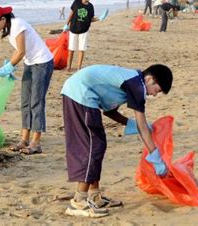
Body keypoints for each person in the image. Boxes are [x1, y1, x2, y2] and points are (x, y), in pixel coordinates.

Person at [61, 64, 173, 218]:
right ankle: (79, 200)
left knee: (99, 145)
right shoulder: (136, 85)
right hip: (80, 94)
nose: (154, 95)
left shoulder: (133, 81)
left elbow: (109, 111)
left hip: (82, 94)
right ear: (150, 79)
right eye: (157, 90)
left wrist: (129, 123)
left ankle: (95, 196)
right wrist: (156, 158)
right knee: (92, 148)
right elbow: (142, 126)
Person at [0, 5, 54, 155]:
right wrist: (9, 65)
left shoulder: (17, 25)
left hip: (43, 63)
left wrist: (8, 67)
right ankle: (24, 140)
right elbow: (19, 50)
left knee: (36, 101)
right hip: (30, 63)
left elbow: (21, 51)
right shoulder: (9, 29)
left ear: (3, 19)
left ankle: (35, 142)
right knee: (25, 102)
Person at [63, 0, 99, 72]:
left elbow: (91, 19)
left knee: (81, 49)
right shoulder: (76, 3)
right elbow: (70, 15)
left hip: (84, 30)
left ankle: (79, 68)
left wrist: (98, 19)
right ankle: (69, 66)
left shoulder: (90, 6)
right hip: (73, 29)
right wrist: (66, 25)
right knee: (71, 49)